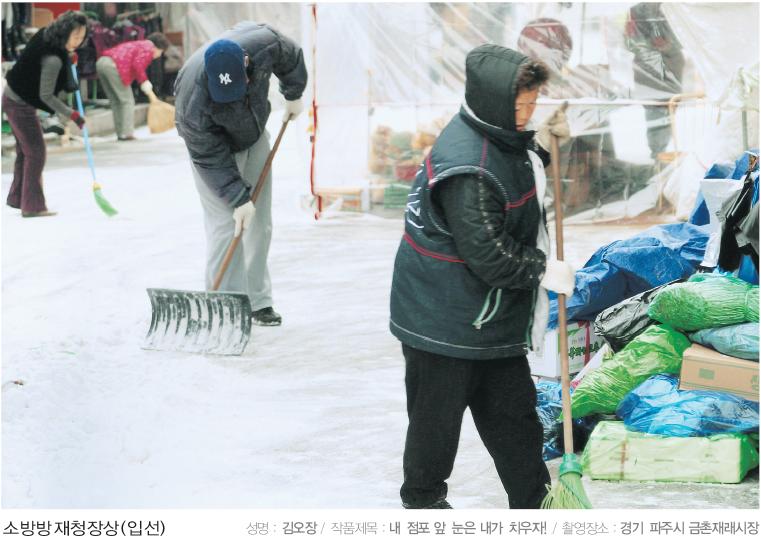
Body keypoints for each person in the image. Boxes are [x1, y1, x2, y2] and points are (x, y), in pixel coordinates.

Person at [389, 44, 575, 509]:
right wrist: (542, 268)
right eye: (522, 106)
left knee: (514, 417)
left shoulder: (495, 134)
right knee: (436, 422)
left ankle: (536, 505)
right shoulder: (467, 167)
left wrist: (541, 148)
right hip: (442, 319)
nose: (529, 113)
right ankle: (424, 503)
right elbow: (490, 257)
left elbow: (512, 167)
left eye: (534, 103)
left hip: (487, 314)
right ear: (494, 102)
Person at [174, 22, 307, 327]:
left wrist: (293, 93)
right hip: (215, 155)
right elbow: (207, 155)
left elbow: (292, 57)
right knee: (226, 225)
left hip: (254, 135)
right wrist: (236, 196)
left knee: (259, 222)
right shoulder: (191, 103)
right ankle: (226, 306)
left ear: (247, 64)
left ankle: (258, 301)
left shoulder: (265, 44)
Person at [3, 10, 88, 217]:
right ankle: (32, 206)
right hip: (19, 103)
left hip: (13, 96)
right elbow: (46, 96)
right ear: (65, 32)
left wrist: (69, 58)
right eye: (75, 36)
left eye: (82, 36)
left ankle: (17, 198)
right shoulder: (53, 58)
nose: (78, 40)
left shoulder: (47, 35)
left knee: (26, 152)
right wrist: (72, 114)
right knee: (36, 153)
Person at [625, 2, 684, 159]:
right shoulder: (637, 8)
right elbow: (632, 41)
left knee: (666, 112)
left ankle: (661, 157)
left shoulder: (672, 8)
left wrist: (667, 45)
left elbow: (679, 38)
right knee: (657, 114)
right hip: (650, 71)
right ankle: (659, 156)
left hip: (668, 67)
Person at [95, 32, 171, 141]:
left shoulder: (140, 44)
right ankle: (127, 133)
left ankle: (121, 133)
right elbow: (138, 64)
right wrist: (144, 82)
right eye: (161, 52)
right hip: (113, 66)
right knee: (127, 101)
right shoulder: (148, 48)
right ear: (159, 48)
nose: (159, 55)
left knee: (116, 101)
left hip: (102, 63)